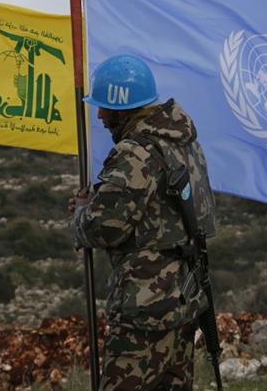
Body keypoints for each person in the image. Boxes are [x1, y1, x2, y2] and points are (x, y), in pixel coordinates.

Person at [69, 55, 217, 391]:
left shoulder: (135, 152)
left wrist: (80, 214)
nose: (100, 116)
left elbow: (102, 228)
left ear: (122, 109)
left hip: (145, 305)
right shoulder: (185, 145)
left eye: (105, 108)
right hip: (184, 296)